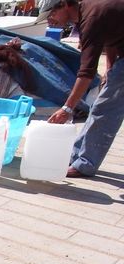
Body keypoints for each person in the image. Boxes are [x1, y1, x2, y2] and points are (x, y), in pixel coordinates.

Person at [41, 0, 124, 177]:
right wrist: (110, 67)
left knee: (105, 110)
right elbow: (110, 36)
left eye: (51, 14)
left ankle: (84, 164)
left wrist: (67, 108)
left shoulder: (91, 19)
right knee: (99, 106)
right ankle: (76, 156)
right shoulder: (90, 12)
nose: (50, 20)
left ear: (64, 5)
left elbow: (86, 73)